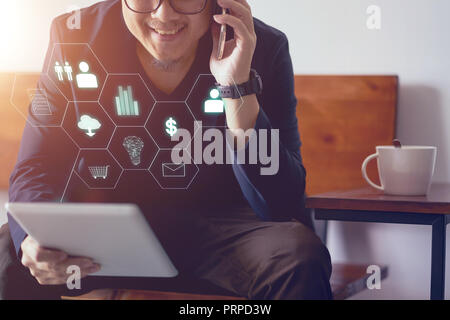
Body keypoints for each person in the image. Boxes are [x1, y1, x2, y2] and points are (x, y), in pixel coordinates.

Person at [8, 0, 333, 299]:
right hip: (110, 235)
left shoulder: (263, 46)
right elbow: (36, 164)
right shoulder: (73, 36)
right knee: (10, 251)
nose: (164, 14)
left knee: (297, 258)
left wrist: (238, 88)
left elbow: (281, 202)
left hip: (227, 234)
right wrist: (31, 238)